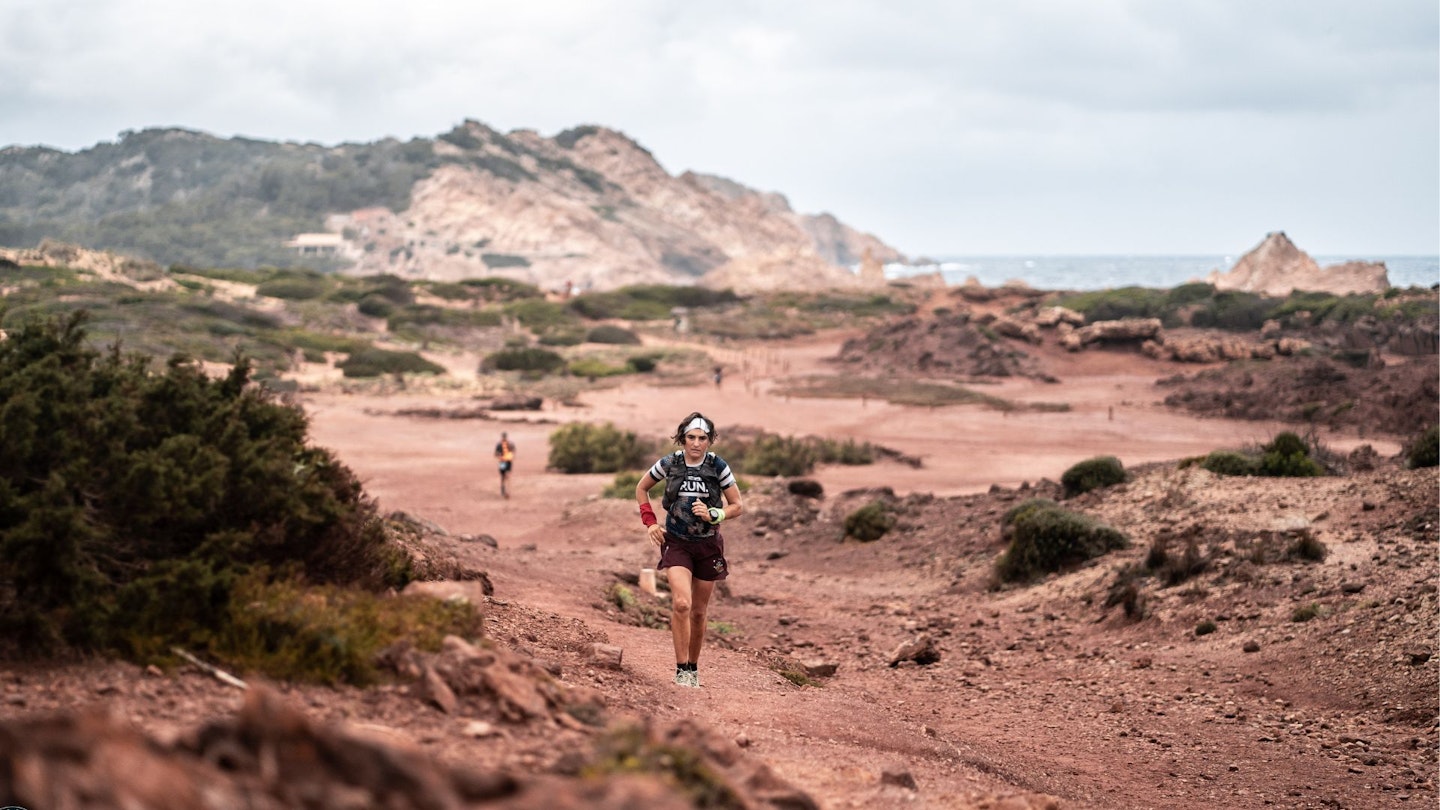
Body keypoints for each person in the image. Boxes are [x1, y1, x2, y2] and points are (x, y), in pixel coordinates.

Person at [635, 411, 743, 688]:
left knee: (698, 611)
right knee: (682, 603)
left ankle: (693, 667)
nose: (696, 443)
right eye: (691, 437)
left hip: (708, 544)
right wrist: (650, 523)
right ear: (682, 438)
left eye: (702, 438)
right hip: (677, 542)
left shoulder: (718, 466)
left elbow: (737, 506)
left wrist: (714, 514)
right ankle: (681, 669)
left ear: (710, 440)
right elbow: (641, 488)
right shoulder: (670, 463)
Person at [494, 432, 515, 498]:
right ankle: (504, 489)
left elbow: (513, 451)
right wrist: (500, 456)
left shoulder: (509, 444)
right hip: (504, 461)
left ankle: (507, 492)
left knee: (506, 475)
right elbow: (496, 454)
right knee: (504, 476)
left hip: (506, 461)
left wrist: (511, 456)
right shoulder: (500, 444)